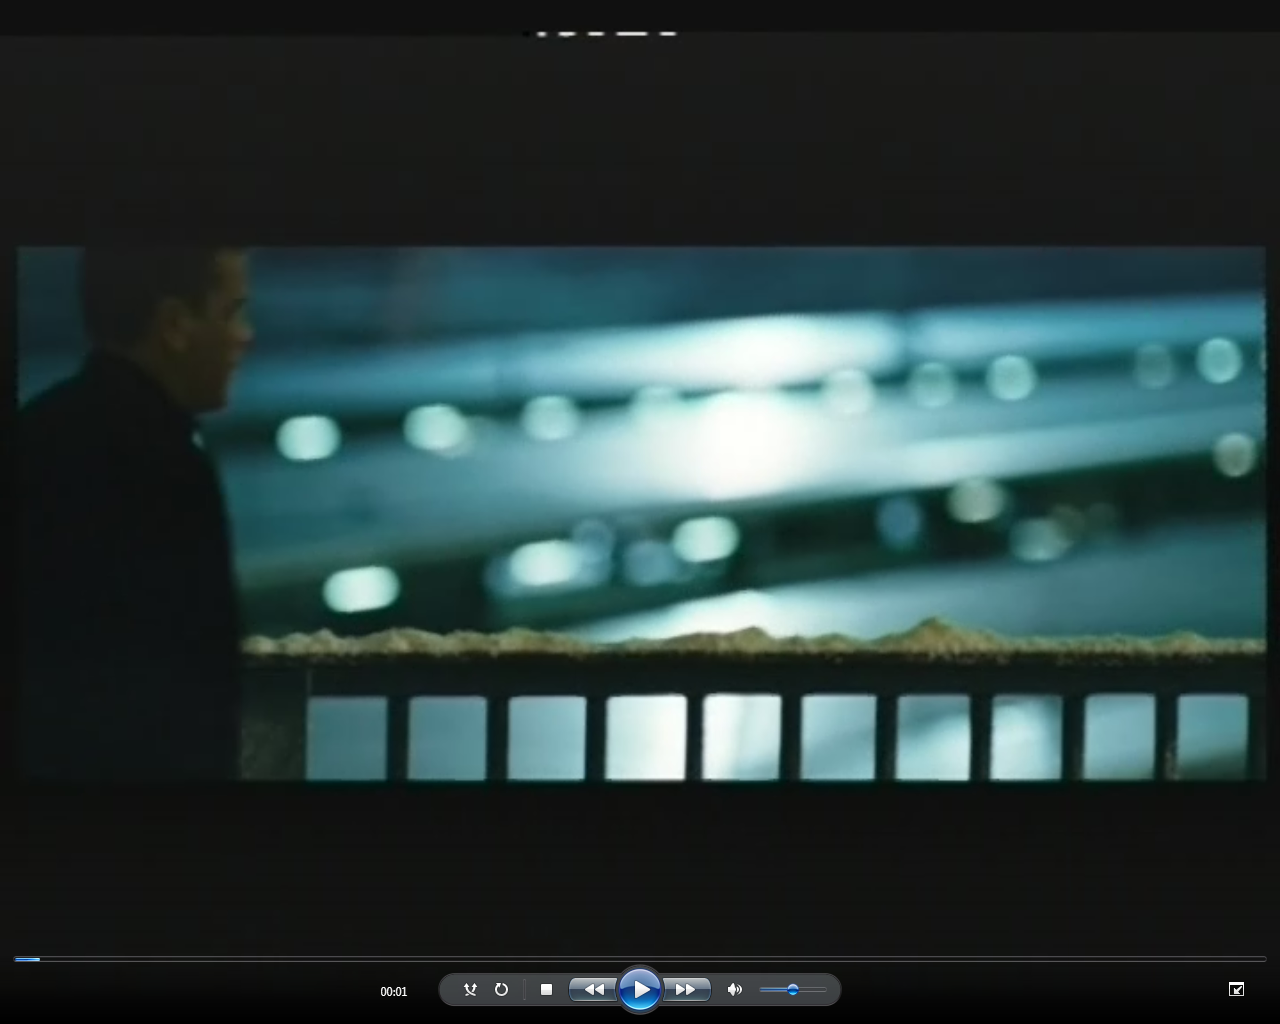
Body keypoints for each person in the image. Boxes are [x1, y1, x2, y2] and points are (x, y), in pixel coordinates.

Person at [19, 248, 254, 780]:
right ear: (174, 324)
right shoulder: (168, 466)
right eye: (232, 312)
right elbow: (188, 687)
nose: (246, 336)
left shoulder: (36, 430)